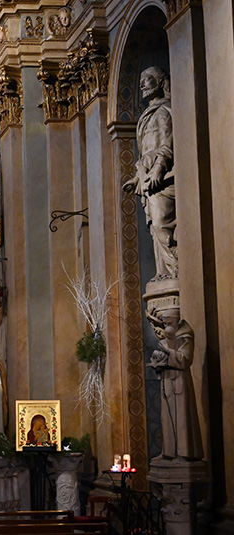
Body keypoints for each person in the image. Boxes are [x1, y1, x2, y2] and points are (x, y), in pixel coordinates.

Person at [123, 66, 177, 280]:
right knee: (155, 227)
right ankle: (163, 272)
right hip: (149, 180)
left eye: (148, 79)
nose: (142, 84)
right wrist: (138, 178)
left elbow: (167, 144)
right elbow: (146, 150)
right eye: (141, 80)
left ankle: (174, 271)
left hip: (162, 178)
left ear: (160, 82)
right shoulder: (147, 115)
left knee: (162, 223)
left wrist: (158, 168)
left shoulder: (164, 111)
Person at [147, 308, 204, 460]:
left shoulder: (185, 338)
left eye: (168, 323)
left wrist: (168, 352)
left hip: (180, 382)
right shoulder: (165, 340)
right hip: (166, 382)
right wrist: (158, 364)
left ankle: (184, 453)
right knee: (167, 418)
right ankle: (168, 452)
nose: (166, 327)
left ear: (176, 322)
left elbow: (185, 359)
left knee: (182, 418)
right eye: (164, 324)